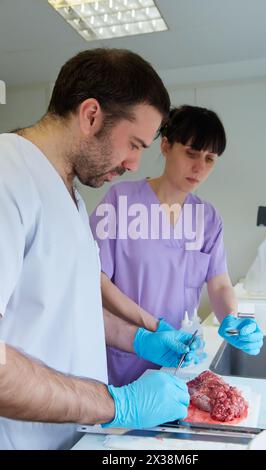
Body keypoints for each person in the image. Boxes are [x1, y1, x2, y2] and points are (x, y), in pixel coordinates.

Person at [0, 49, 201, 450]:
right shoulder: (8, 176)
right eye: (134, 144)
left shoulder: (70, 196)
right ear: (91, 115)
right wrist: (115, 403)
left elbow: (67, 310)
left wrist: (140, 339)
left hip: (72, 439)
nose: (134, 164)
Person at [90, 105, 264, 387]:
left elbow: (219, 284)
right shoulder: (120, 201)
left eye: (210, 159)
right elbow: (94, 279)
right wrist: (153, 327)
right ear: (166, 146)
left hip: (180, 359)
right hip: (125, 355)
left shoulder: (207, 218)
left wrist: (233, 318)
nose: (200, 168)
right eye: (191, 154)